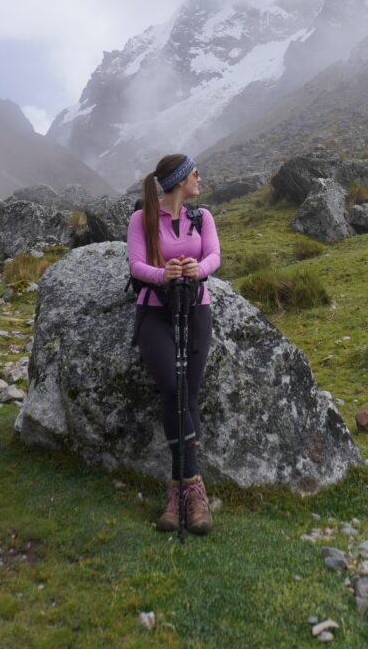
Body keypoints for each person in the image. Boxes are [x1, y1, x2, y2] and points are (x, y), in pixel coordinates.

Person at [127, 153, 221, 535]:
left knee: (189, 394)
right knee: (173, 388)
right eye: (195, 173)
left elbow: (215, 255)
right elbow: (135, 266)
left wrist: (197, 270)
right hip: (155, 312)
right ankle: (192, 489)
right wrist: (162, 274)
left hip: (195, 310)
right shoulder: (142, 218)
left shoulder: (203, 218)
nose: (200, 177)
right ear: (181, 180)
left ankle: (178, 490)